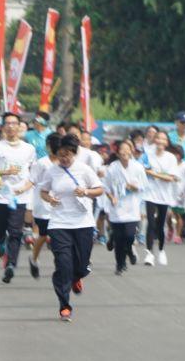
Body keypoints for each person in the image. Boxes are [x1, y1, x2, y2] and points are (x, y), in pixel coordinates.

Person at [39, 134, 104, 321]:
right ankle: (64, 305)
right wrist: (49, 198)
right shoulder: (52, 171)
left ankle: (78, 276)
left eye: (67, 154)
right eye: (60, 155)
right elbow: (43, 191)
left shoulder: (84, 169)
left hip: (83, 222)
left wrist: (86, 192)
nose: (64, 158)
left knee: (82, 265)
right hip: (59, 223)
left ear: (74, 153)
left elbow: (99, 190)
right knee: (63, 263)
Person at [0, 112, 36, 283]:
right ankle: (0, 243)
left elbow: (33, 172)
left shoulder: (28, 149)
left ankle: (11, 264)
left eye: (14, 123)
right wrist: (4, 172)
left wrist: (25, 187)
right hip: (0, 194)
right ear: (2, 127)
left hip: (19, 196)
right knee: (0, 229)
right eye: (7, 123)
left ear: (19, 126)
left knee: (16, 232)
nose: (10, 126)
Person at [104, 139, 146, 274]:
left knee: (129, 236)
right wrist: (112, 198)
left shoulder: (138, 167)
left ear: (132, 151)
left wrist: (134, 187)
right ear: (117, 153)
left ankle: (129, 250)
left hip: (132, 207)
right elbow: (106, 188)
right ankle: (120, 265)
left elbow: (144, 186)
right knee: (119, 238)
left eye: (128, 149)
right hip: (117, 208)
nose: (125, 152)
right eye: (122, 149)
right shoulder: (112, 168)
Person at [140, 130, 178, 266]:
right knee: (150, 223)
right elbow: (142, 171)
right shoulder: (147, 156)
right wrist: (149, 173)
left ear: (167, 143)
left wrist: (154, 174)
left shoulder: (171, 158)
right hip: (150, 194)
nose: (161, 141)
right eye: (158, 138)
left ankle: (161, 250)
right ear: (155, 140)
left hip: (164, 196)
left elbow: (170, 178)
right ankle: (149, 253)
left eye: (163, 139)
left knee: (160, 225)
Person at [27, 133, 60, 278]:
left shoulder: (63, 163)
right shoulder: (41, 163)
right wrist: (22, 190)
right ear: (48, 147)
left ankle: (61, 266)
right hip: (43, 206)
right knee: (43, 235)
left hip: (60, 206)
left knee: (59, 237)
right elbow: (32, 180)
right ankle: (34, 258)